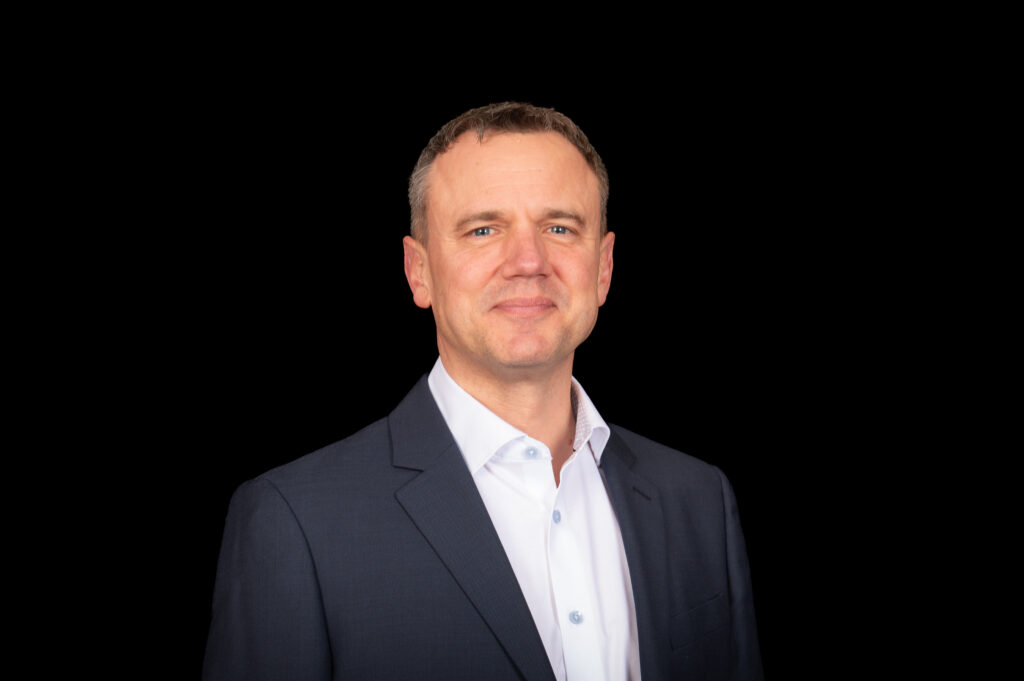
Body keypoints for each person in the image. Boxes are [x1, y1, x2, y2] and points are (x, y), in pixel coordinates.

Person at [203, 102, 763, 680]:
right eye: (484, 229)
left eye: (559, 228)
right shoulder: (294, 521)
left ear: (604, 267)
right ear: (418, 271)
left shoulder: (699, 501)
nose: (528, 261)